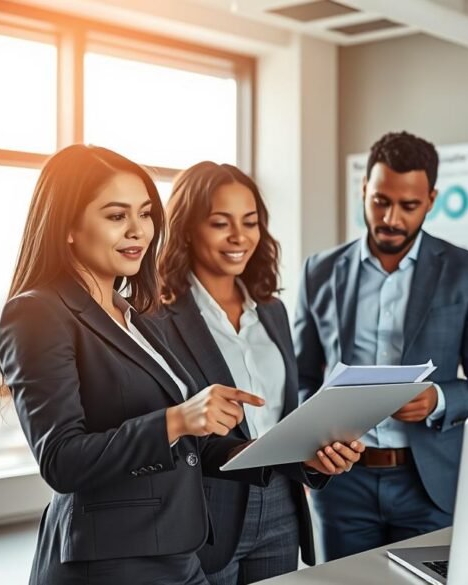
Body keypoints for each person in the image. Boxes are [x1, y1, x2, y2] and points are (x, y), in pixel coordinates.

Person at [0, 145, 350, 584]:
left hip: (175, 553)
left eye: (145, 214)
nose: (137, 231)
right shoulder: (38, 312)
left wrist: (300, 456)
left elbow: (187, 450)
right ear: (67, 225)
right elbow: (61, 460)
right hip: (109, 562)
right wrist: (178, 419)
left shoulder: (133, 315)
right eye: (115, 216)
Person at [293, 131, 468, 560]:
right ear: (364, 189)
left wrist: (439, 398)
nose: (391, 217)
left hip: (428, 483)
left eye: (408, 206)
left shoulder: (465, 271)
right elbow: (301, 375)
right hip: (342, 484)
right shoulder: (318, 271)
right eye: (380, 201)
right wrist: (311, 443)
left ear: (431, 199)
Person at [154, 161, 363, 583]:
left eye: (250, 222)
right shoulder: (158, 316)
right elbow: (161, 427)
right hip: (205, 514)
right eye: (220, 223)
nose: (239, 237)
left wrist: (319, 457)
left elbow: (283, 416)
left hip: (282, 505)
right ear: (188, 228)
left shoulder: (272, 310)